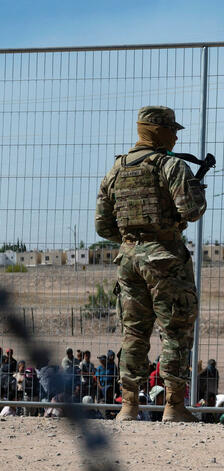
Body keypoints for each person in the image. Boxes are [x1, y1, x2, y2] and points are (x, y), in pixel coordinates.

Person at [96, 105, 207, 422]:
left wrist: (134, 240)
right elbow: (191, 210)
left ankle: (128, 406)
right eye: (172, 129)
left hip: (128, 260)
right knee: (175, 332)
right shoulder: (170, 166)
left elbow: (102, 226)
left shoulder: (115, 170)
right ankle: (174, 406)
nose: (175, 136)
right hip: (165, 260)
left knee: (133, 334)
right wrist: (196, 192)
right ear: (158, 131)